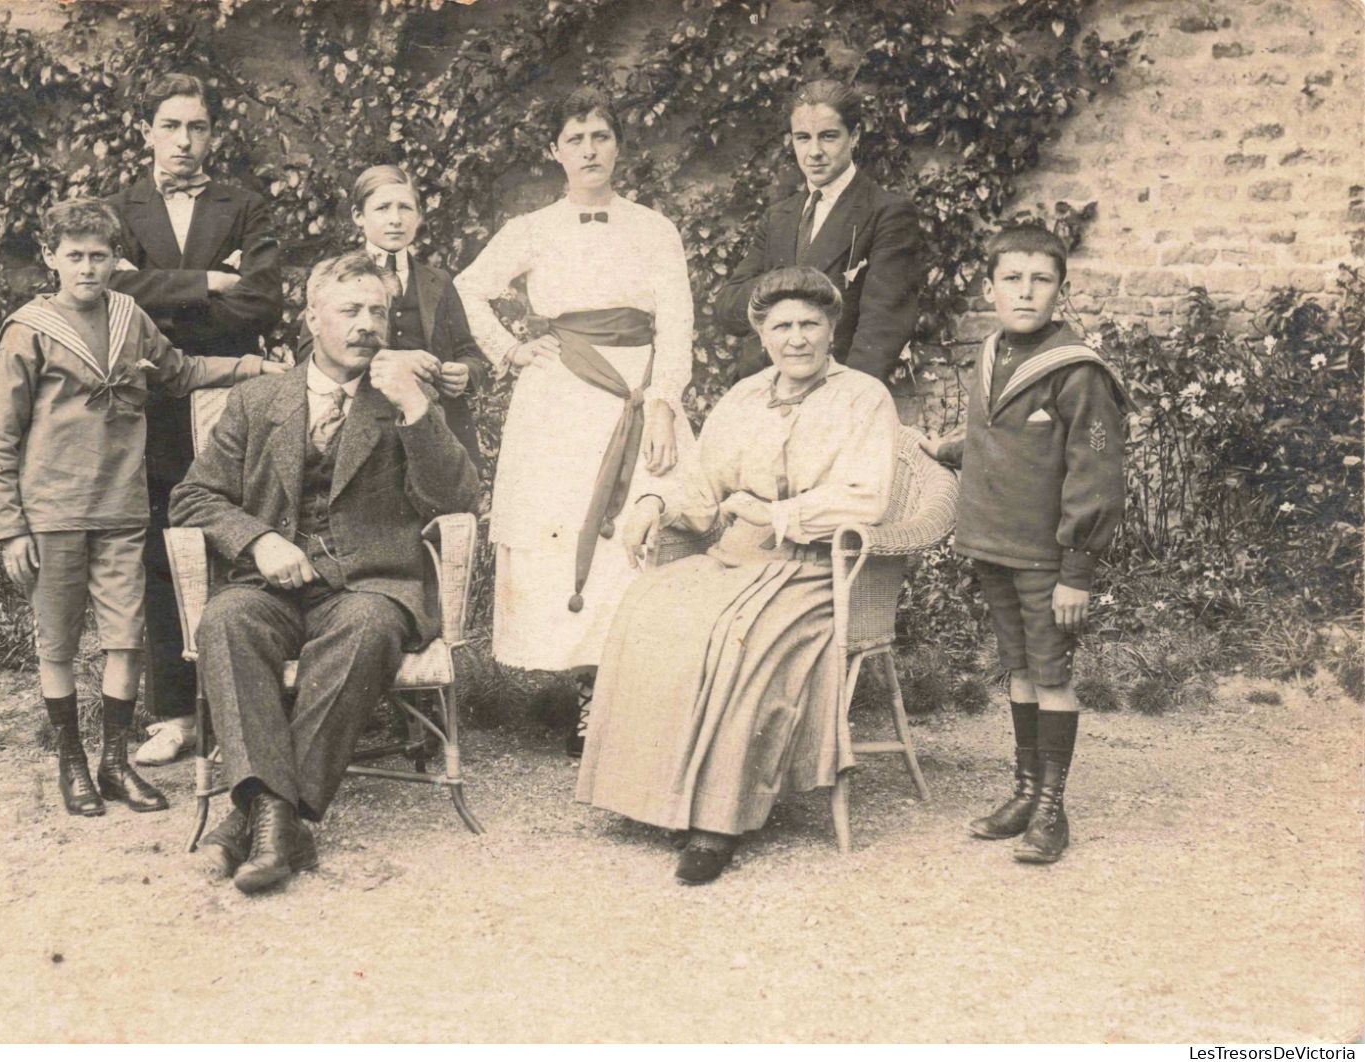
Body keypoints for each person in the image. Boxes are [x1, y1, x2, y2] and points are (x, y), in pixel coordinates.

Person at [576, 267, 899, 885]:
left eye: (810, 324)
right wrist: (653, 505)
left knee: (740, 639)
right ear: (762, 332)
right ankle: (666, 794)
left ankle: (716, 821)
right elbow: (703, 485)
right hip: (735, 557)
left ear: (832, 329)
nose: (797, 338)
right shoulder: (745, 396)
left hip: (813, 569)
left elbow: (868, 498)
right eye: (782, 326)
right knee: (650, 608)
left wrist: (779, 514)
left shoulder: (863, 397)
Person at [169, 251, 479, 896]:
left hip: (370, 584)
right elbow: (194, 497)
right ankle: (283, 827)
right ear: (312, 317)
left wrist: (417, 412)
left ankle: (256, 820)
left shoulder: (401, 399)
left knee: (366, 627)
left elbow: (456, 499)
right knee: (226, 619)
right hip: (273, 583)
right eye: (351, 310)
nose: (368, 324)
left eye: (379, 312)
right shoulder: (258, 401)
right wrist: (257, 542)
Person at [0, 198, 277, 817]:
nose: (87, 269)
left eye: (99, 256)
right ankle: (73, 764)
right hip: (53, 511)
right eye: (74, 257)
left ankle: (114, 764)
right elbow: (2, 437)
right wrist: (11, 529)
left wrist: (249, 366)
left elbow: (180, 370)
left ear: (116, 259)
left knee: (125, 637)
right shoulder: (29, 329)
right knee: (57, 640)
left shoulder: (129, 315)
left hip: (122, 507)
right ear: (50, 259)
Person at [453, 87, 698, 754]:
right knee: (559, 532)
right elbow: (467, 288)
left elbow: (676, 323)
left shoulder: (653, 228)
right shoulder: (532, 229)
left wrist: (662, 404)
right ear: (553, 152)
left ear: (618, 147)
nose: (589, 150)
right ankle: (577, 686)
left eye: (601, 137)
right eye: (575, 138)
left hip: (636, 387)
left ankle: (622, 690)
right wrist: (510, 349)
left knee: (636, 523)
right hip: (559, 397)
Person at [922, 224, 1128, 865]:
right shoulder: (992, 352)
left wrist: (1078, 570)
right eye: (1012, 278)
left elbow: (1097, 472)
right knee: (1018, 670)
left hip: (1046, 556)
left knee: (1052, 675)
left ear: (1060, 290)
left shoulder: (1077, 372)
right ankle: (1023, 791)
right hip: (993, 544)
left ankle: (1051, 809)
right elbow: (996, 434)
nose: (1025, 291)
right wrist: (946, 448)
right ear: (990, 288)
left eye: (1041, 280)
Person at [106, 72, 285, 768]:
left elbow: (262, 304)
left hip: (237, 392)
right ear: (146, 133)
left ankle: (250, 704)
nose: (184, 141)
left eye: (197, 127)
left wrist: (161, 294)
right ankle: (176, 713)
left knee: (243, 531)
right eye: (171, 126)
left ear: (212, 134)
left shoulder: (243, 205)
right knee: (162, 541)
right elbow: (113, 295)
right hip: (150, 396)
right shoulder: (118, 211)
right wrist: (211, 281)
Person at [712, 78, 921, 406]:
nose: (815, 152)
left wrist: (842, 403)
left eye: (828, 136)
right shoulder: (779, 216)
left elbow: (882, 328)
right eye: (803, 138)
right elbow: (728, 308)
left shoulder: (886, 213)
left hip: (835, 396)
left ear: (854, 136)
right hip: (762, 392)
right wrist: (787, 284)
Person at [297, 164, 488, 462]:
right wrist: (391, 360)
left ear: (419, 216)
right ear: (358, 216)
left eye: (405, 208)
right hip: (361, 426)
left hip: (437, 427)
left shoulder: (438, 280)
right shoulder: (334, 276)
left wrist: (465, 373)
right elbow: (307, 353)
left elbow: (470, 353)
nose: (396, 220)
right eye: (383, 208)